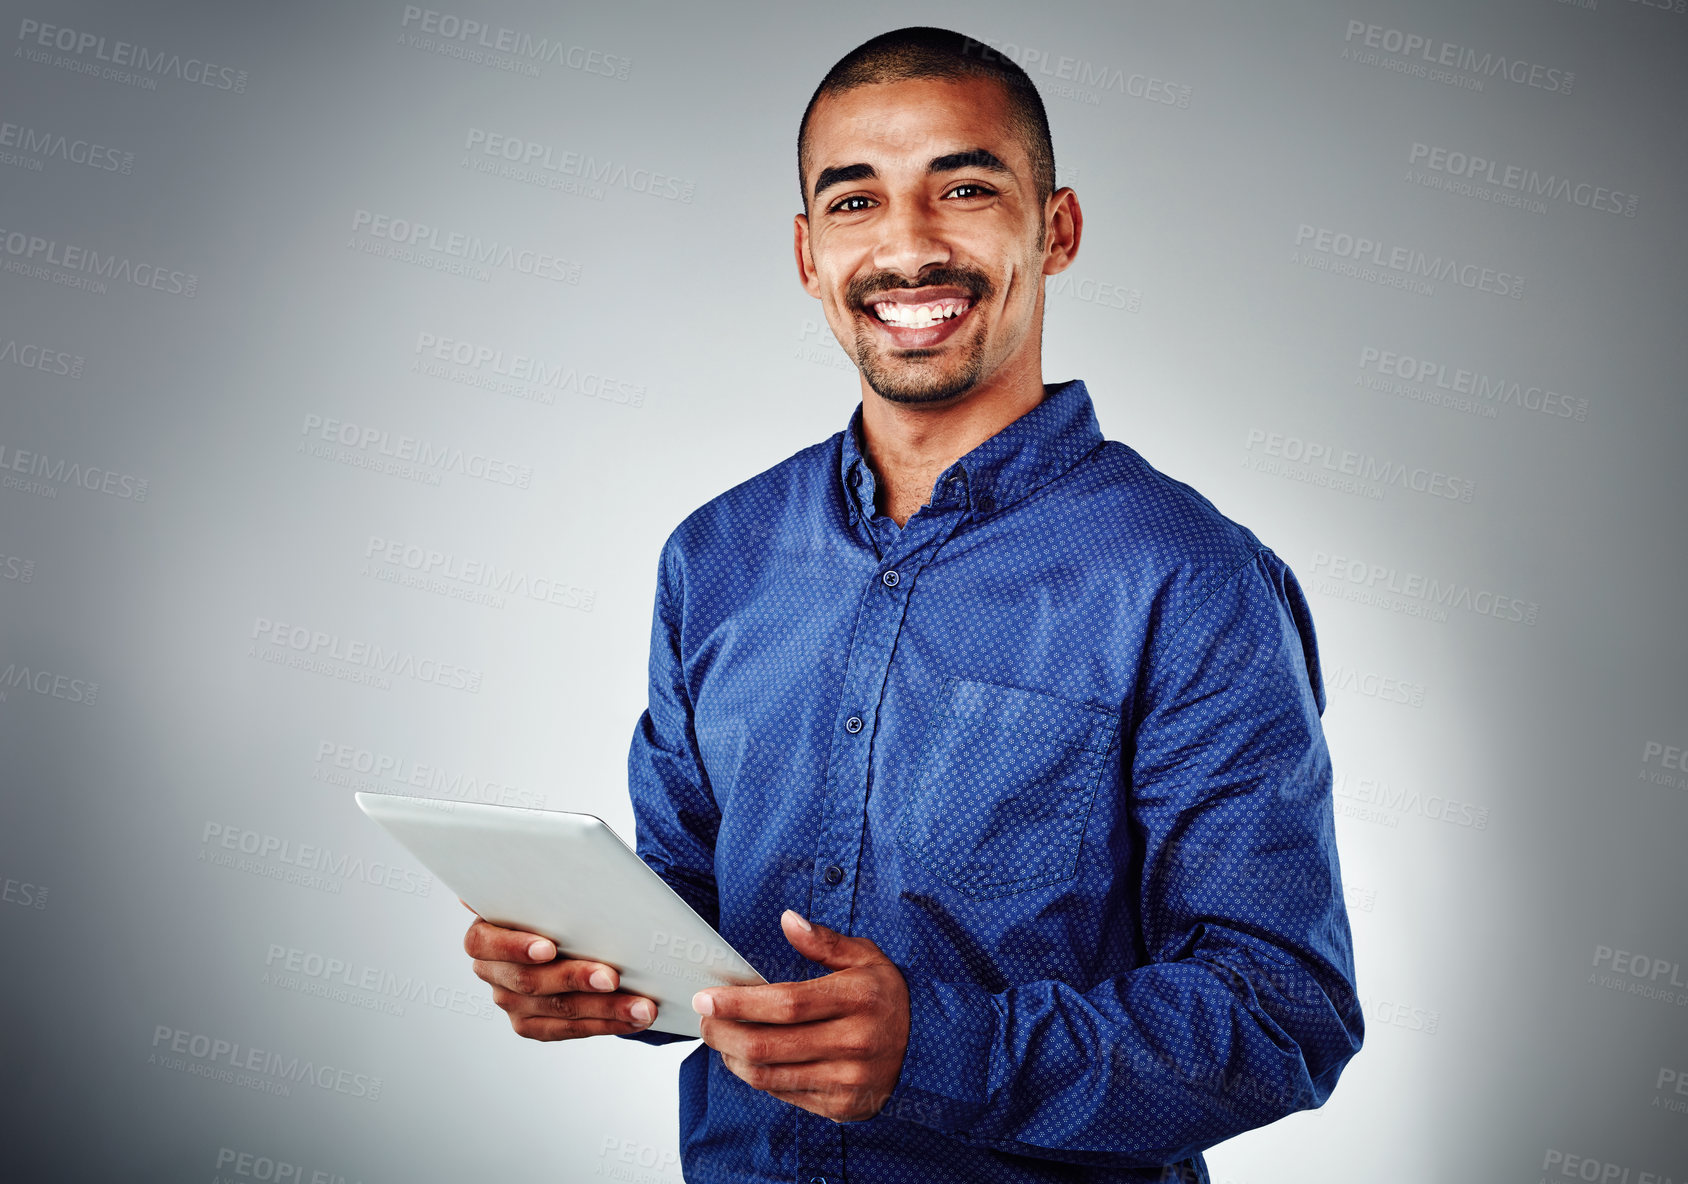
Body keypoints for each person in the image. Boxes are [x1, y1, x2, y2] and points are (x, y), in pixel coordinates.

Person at [462, 25, 1364, 1183]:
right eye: (854, 203)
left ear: (1057, 228)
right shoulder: (716, 555)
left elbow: (1280, 1013)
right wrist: (594, 971)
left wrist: (939, 1047)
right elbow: (687, 915)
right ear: (804, 252)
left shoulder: (1191, 580)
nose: (907, 246)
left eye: (965, 188)